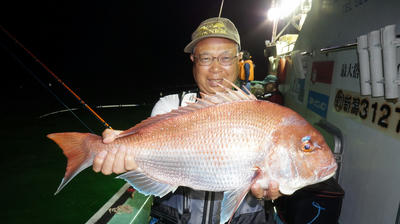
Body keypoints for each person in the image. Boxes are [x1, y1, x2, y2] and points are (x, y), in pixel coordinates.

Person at [92, 17, 281, 223]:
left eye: (225, 58)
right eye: (206, 58)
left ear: (240, 59)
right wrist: (123, 147)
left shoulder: (262, 113)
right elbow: (147, 151)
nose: (216, 68)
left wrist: (279, 189)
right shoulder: (170, 106)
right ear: (193, 60)